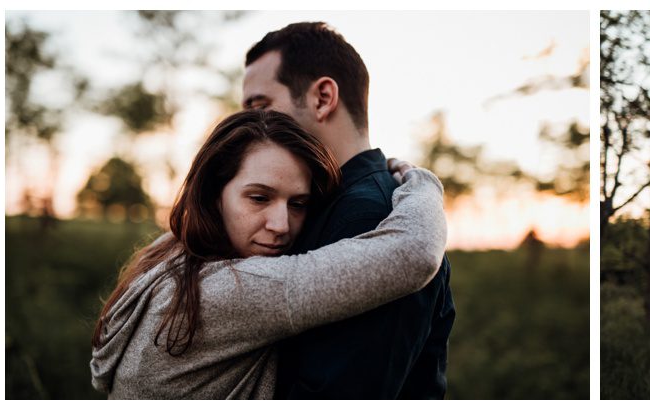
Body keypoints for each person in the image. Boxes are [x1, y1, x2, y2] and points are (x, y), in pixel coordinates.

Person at [90, 109, 446, 399]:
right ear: (214, 195)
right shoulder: (232, 291)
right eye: (259, 198)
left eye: (298, 204)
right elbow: (413, 254)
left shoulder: (170, 251)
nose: (281, 225)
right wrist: (421, 181)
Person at [242, 22, 454, 399]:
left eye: (260, 106)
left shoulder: (373, 218)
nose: (248, 126)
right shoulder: (312, 205)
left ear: (323, 98)